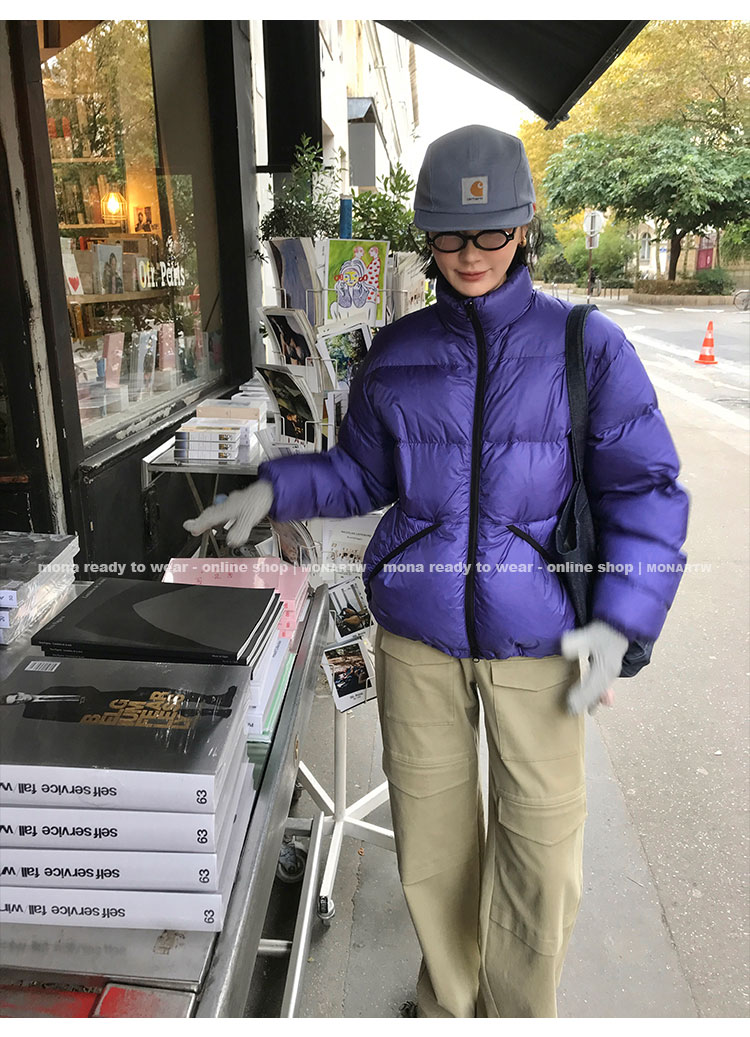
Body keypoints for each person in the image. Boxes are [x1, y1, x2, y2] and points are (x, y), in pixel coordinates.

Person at [184, 125, 689, 1018]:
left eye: (491, 231)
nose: (470, 253)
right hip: (418, 638)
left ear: (524, 227)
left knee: (542, 851)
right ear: (428, 236)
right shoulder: (396, 351)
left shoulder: (588, 344)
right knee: (433, 842)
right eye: (451, 234)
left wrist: (621, 621)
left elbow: (643, 488)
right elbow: (362, 474)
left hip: (541, 639)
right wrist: (275, 487)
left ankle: (518, 1012)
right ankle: (451, 1003)